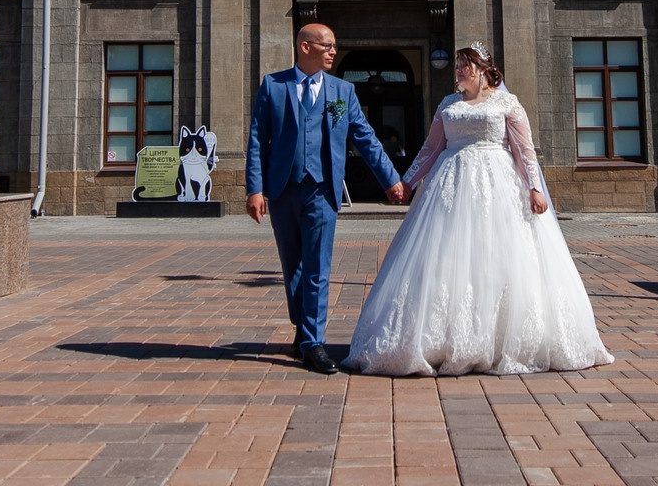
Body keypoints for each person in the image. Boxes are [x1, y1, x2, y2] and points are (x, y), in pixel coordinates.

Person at [345, 44, 614, 376]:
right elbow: (431, 148)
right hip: (451, 185)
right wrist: (408, 180)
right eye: (457, 66)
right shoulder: (448, 105)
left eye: (465, 65)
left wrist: (534, 187)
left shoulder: (506, 104)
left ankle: (500, 340)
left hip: (498, 184)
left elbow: (525, 150)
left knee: (499, 256)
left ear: (484, 69)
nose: (459, 71)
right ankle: (439, 339)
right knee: (446, 257)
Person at [246, 23, 406, 374]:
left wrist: (391, 179)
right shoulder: (273, 86)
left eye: (335, 45)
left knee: (318, 267)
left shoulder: (341, 92)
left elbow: (365, 137)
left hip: (322, 189)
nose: (334, 51)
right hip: (283, 189)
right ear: (306, 47)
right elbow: (258, 140)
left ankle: (313, 342)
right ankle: (303, 331)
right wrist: (254, 189)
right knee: (293, 268)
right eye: (328, 45)